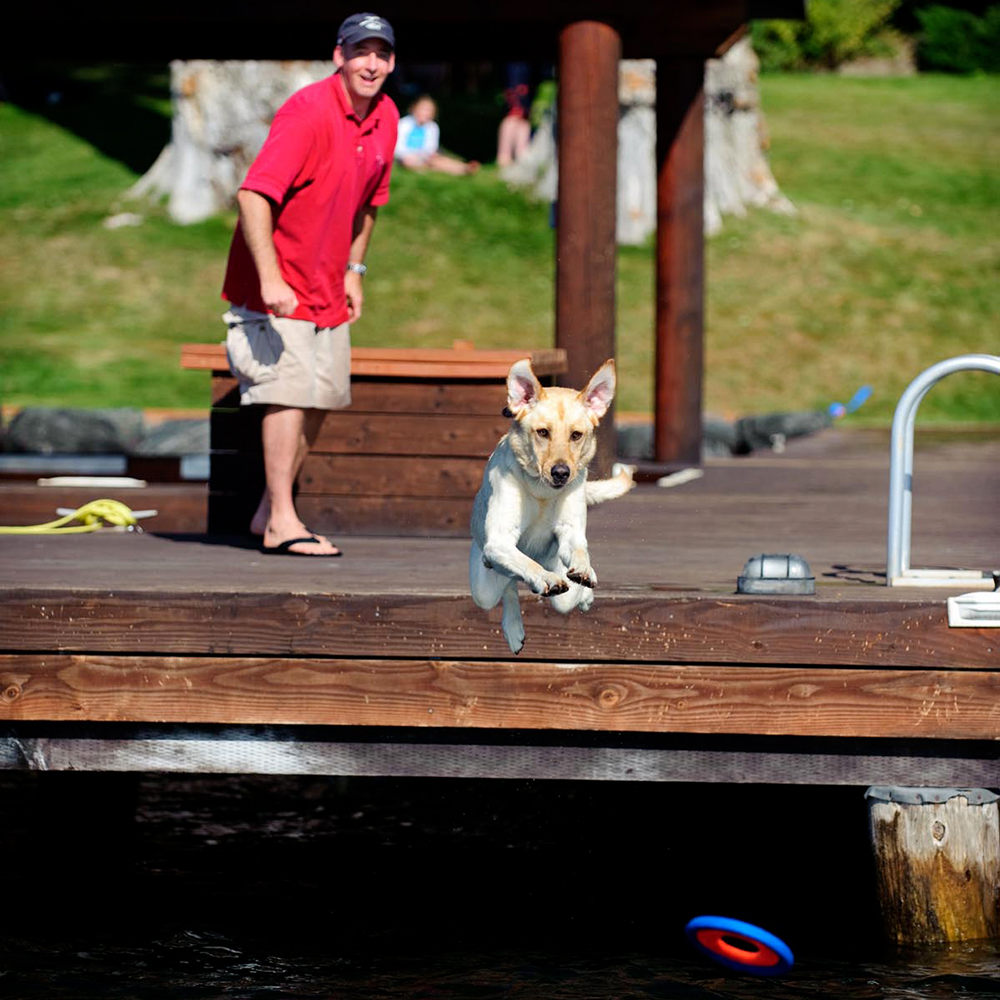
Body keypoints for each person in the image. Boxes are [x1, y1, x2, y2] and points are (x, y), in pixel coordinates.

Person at [220, 12, 399, 556]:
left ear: (391, 62)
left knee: (321, 398)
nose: (371, 63)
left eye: (381, 54)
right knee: (289, 394)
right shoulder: (307, 111)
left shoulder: (387, 114)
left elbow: (371, 202)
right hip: (280, 286)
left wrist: (354, 269)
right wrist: (270, 277)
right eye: (360, 52)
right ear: (338, 56)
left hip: (328, 286)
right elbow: (253, 195)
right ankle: (281, 520)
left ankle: (268, 513)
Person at [394, 95, 479, 175]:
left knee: (438, 159)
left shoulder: (432, 127)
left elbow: (431, 147)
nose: (424, 113)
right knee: (410, 162)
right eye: (422, 109)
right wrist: (409, 155)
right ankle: (430, 168)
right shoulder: (404, 124)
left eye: (428, 110)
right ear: (414, 109)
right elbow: (398, 146)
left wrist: (426, 155)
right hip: (405, 156)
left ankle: (464, 168)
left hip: (424, 156)